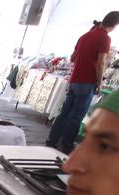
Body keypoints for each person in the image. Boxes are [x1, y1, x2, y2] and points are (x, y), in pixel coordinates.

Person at [46, 12, 119, 154]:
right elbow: (100, 63)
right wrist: (99, 82)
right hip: (87, 81)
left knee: (64, 113)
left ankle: (51, 140)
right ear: (115, 25)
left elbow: (72, 58)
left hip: (75, 79)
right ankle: (66, 145)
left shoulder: (85, 36)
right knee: (76, 116)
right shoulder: (105, 38)